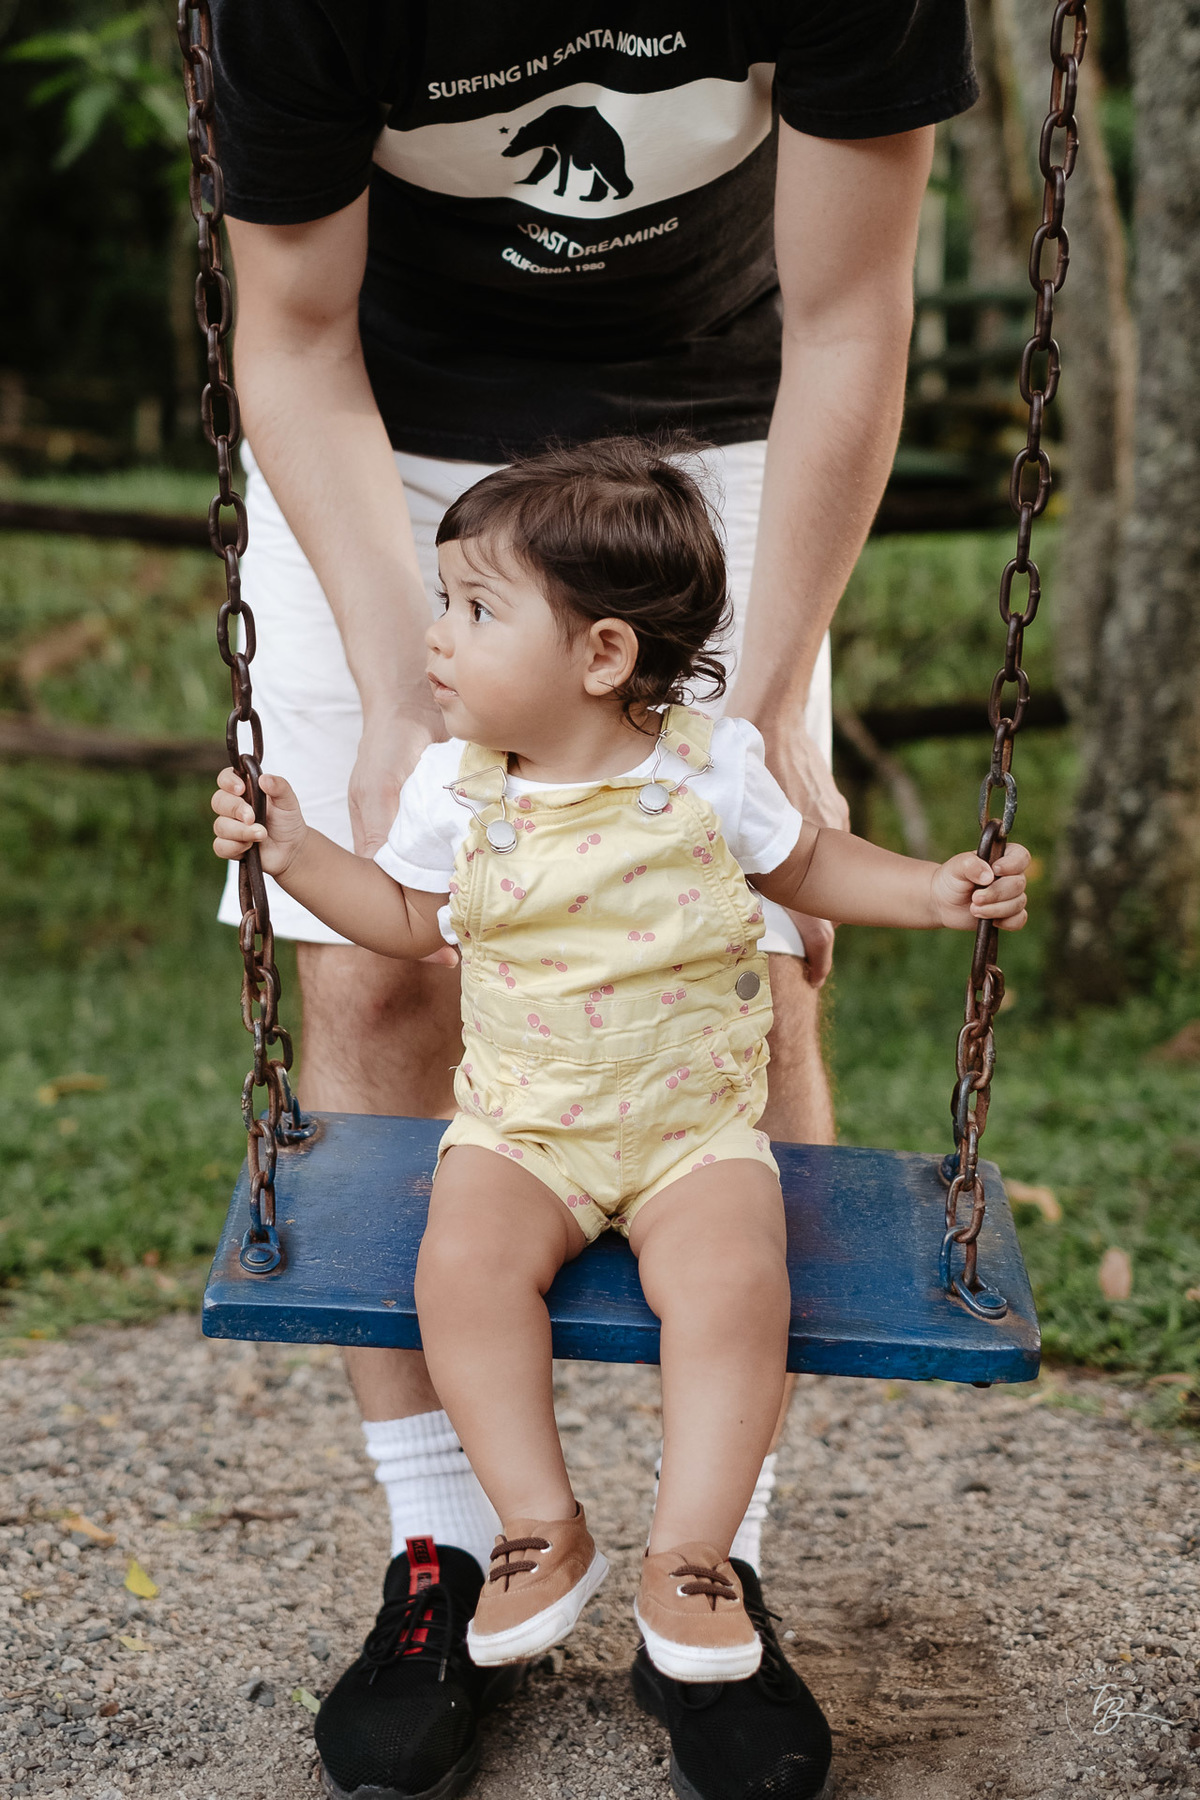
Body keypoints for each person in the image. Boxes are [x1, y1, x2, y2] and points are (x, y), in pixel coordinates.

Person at [206, 4, 980, 1794]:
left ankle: (719, 1564)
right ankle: (445, 1545)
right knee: (376, 985)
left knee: (757, 950)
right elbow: (297, 330)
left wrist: (772, 693)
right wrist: (405, 683)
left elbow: (854, 309)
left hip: (718, 430)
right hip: (382, 433)